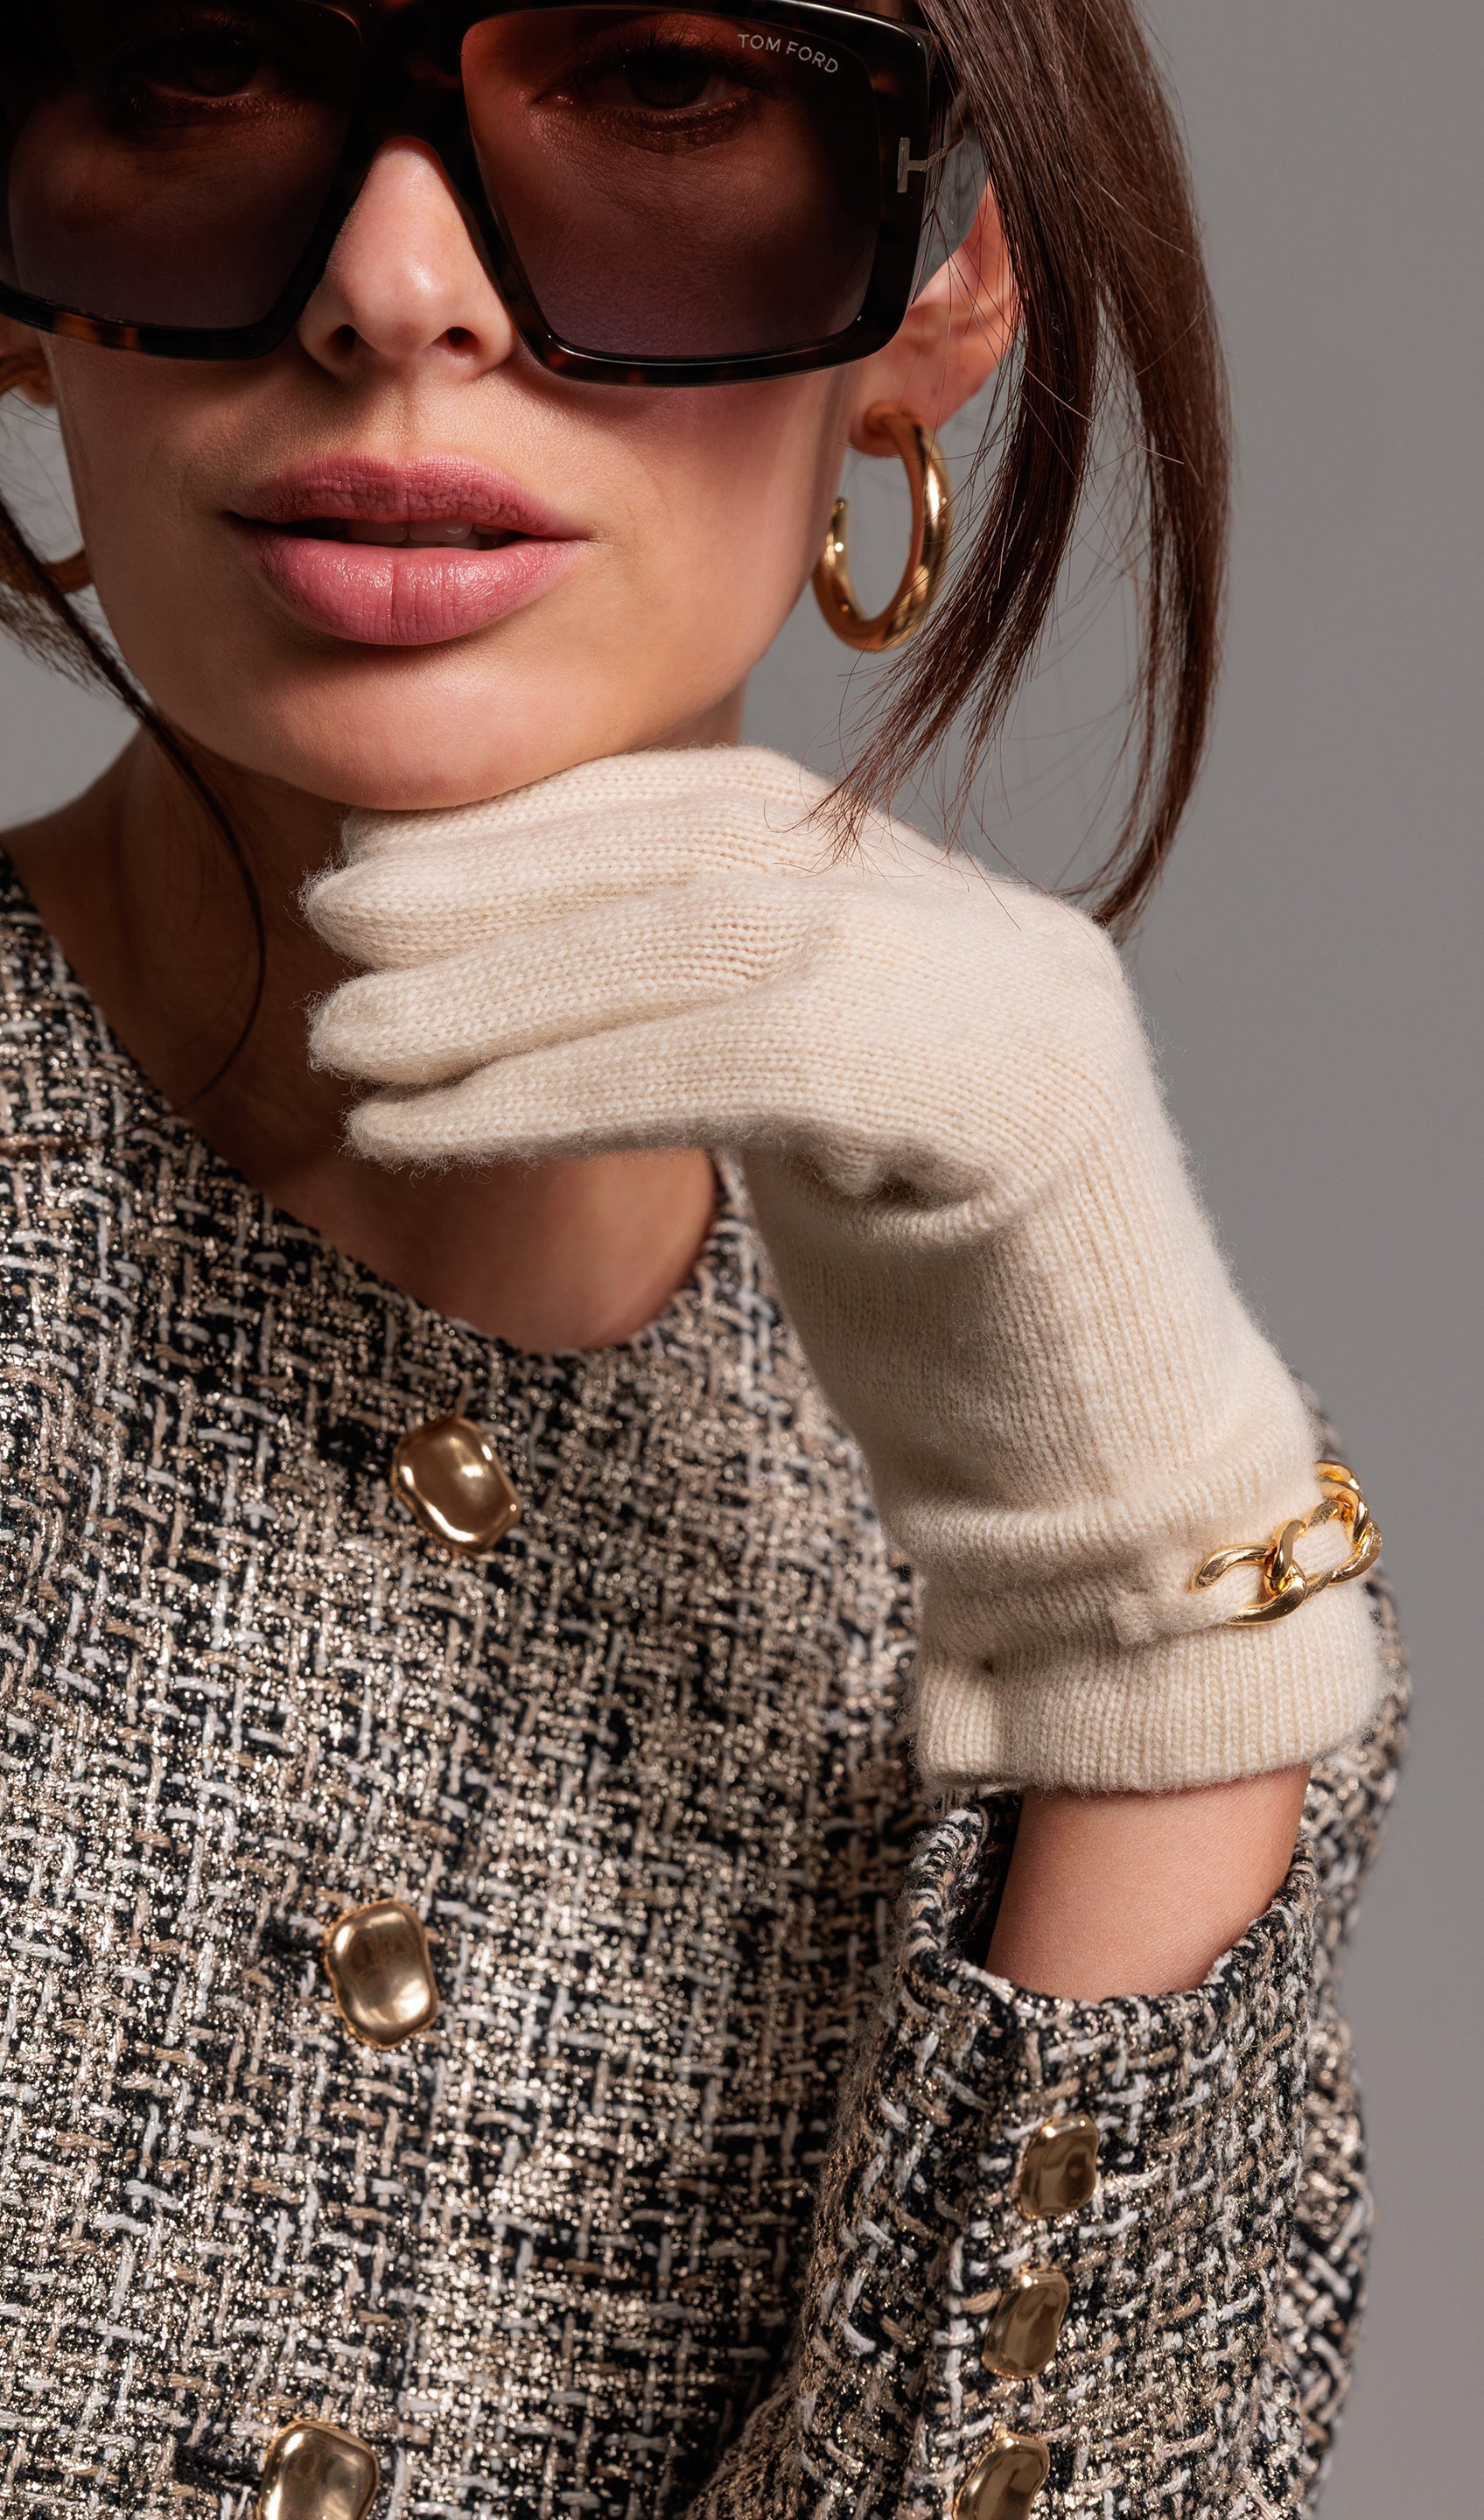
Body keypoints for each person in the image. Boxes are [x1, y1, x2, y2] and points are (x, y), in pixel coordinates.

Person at [0, 4, 1405, 2516]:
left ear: (940, 287)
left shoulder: (1090, 1498)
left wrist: (1155, 1618)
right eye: (196, 66)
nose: (399, 285)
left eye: (662, 91)